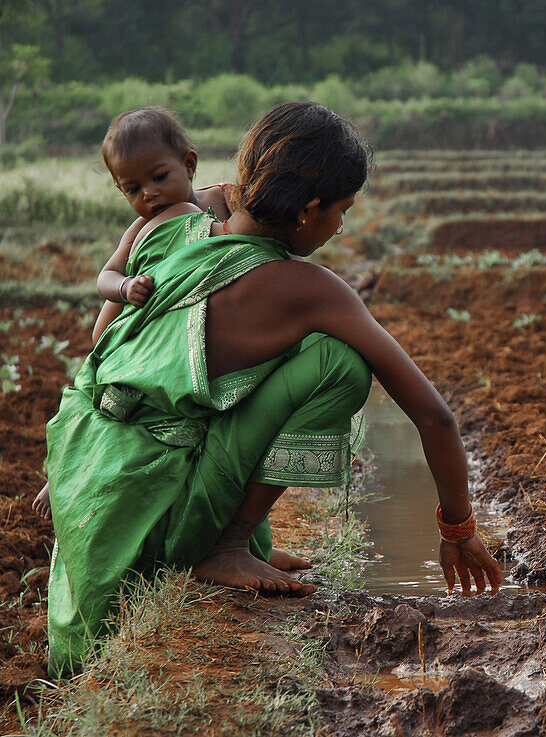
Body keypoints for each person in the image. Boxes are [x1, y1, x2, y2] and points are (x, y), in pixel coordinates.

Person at [44, 101, 502, 676]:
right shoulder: (312, 290)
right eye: (343, 211)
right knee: (340, 365)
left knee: (214, 375)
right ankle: (227, 543)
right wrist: (458, 529)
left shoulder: (176, 216)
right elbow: (434, 417)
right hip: (159, 522)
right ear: (310, 211)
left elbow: (103, 337)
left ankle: (245, 539)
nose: (340, 227)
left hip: (95, 486)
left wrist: (67, 465)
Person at [33, 106, 233, 517]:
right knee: (106, 412)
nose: (149, 194)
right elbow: (105, 276)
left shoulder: (220, 204)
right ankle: (65, 474)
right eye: (132, 188)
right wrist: (125, 287)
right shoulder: (141, 229)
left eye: (159, 178)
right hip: (128, 340)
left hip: (183, 336)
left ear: (189, 164)